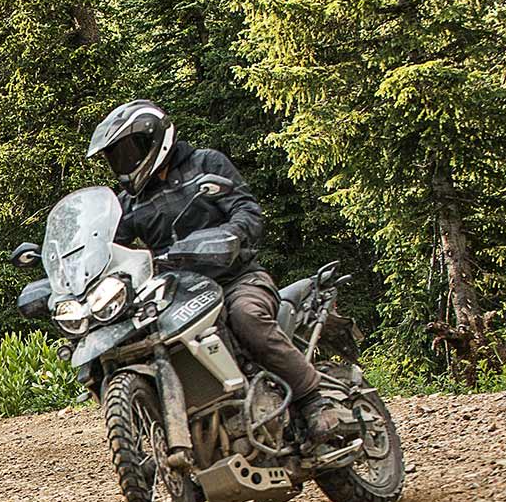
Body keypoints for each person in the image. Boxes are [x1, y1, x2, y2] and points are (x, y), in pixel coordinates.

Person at [86, 100, 339, 443]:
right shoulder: (129, 203)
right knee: (129, 340)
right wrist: (81, 269)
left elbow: (247, 211)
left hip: (235, 278)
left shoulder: (206, 164)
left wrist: (230, 234)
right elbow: (108, 248)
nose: (124, 162)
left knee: (247, 317)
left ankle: (313, 400)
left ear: (154, 139)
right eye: (117, 156)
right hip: (173, 294)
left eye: (129, 150)